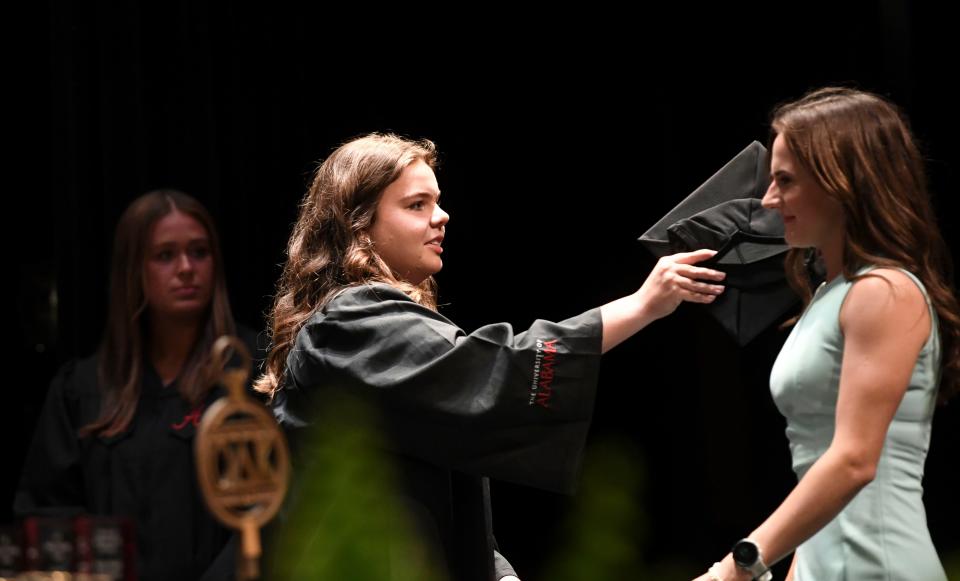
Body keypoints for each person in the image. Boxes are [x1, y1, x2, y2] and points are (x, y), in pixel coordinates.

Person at [254, 133, 727, 581]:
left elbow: (437, 473)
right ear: (358, 224)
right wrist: (642, 305)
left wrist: (497, 570)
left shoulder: (379, 323)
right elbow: (499, 368)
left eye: (436, 201)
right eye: (416, 205)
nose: (442, 217)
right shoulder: (348, 322)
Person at [695, 88, 960, 581]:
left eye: (785, 181)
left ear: (843, 181)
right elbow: (819, 471)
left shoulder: (886, 291)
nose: (770, 200)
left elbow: (854, 462)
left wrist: (736, 566)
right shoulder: (829, 295)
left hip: (879, 566)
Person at [15, 190, 259, 580]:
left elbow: (274, 510)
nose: (186, 268)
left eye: (199, 252)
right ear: (134, 270)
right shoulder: (85, 388)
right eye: (165, 255)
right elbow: (47, 513)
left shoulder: (252, 373)